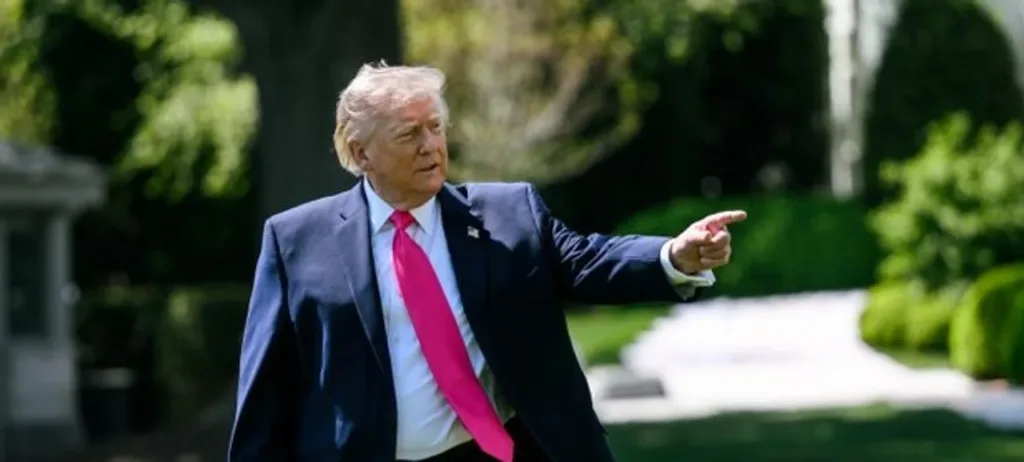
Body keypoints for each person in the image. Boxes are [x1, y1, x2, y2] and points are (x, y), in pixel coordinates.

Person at [228, 62, 745, 462]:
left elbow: (587, 260)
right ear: (362, 154)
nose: (431, 145)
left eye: (435, 127)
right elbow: (266, 393)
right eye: (409, 134)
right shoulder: (296, 241)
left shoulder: (507, 213)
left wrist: (673, 254)